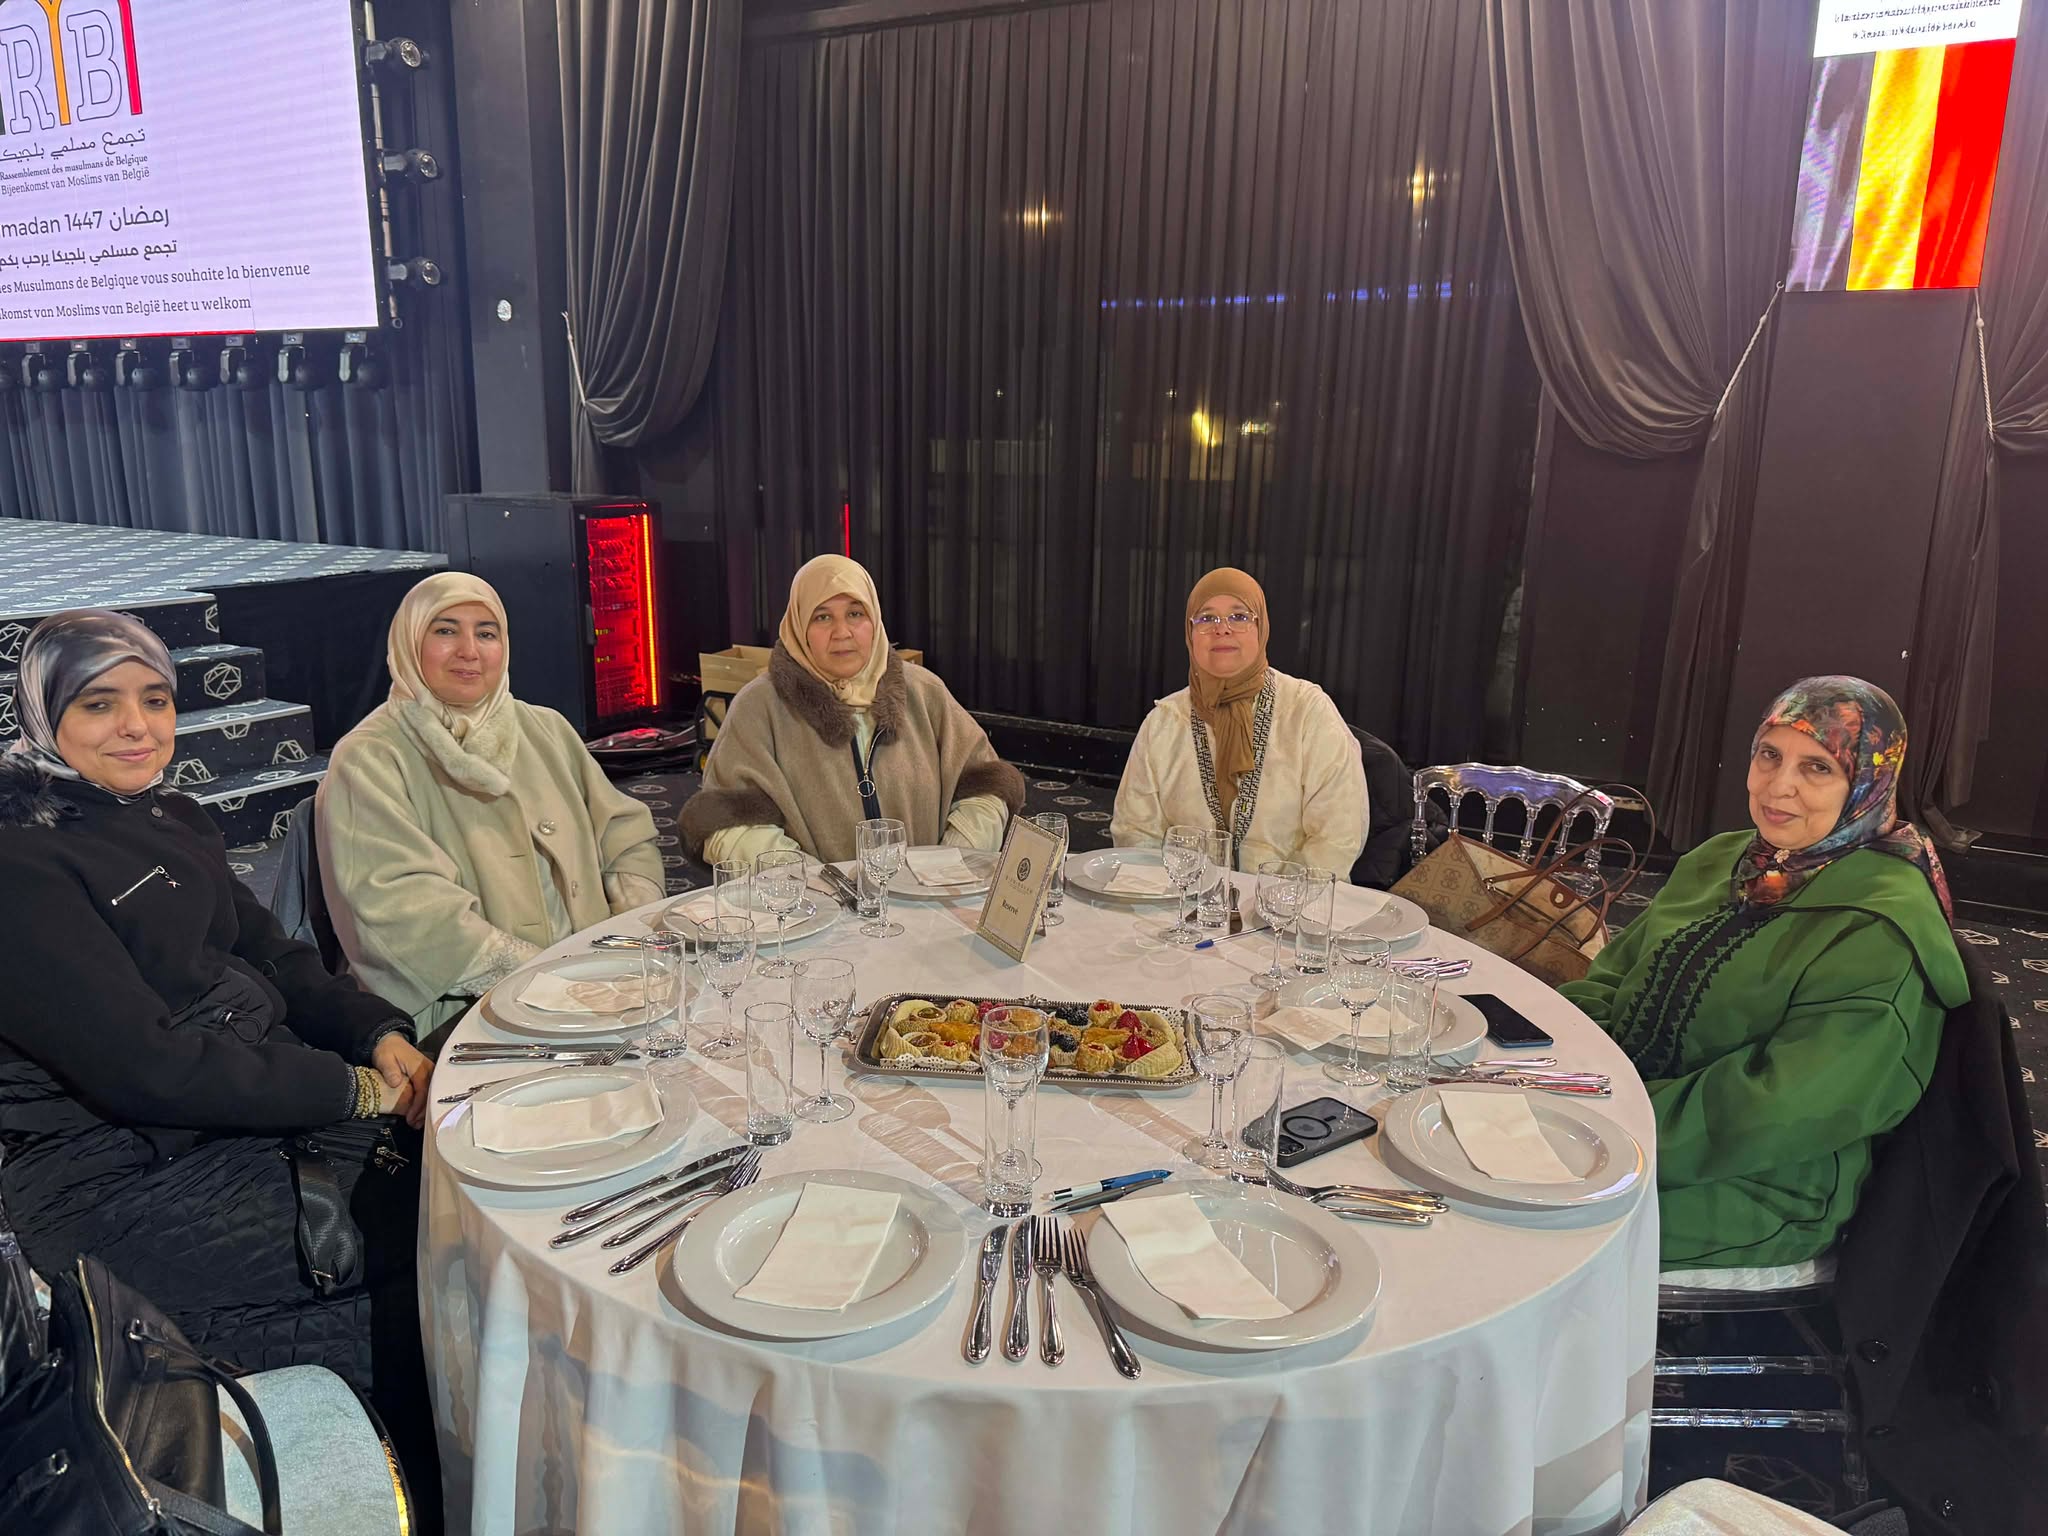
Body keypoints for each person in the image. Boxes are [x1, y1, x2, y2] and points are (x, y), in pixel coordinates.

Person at [0, 608, 438, 1496]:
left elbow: (271, 953)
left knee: (462, 1169)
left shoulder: (169, 812)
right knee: (434, 1245)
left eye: (155, 699)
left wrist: (376, 1033)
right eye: (98, 704)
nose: (137, 726)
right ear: (45, 715)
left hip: (229, 1110)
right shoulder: (20, 862)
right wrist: (350, 1091)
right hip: (115, 1176)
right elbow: (145, 1067)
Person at [1559, 676, 1964, 1269]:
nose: (1779, 786)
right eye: (1769, 755)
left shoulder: (1881, 926)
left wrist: (1606, 1131)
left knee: (1519, 1224)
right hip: (1610, 1119)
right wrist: (1558, 1074)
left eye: (1818, 767)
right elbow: (1611, 979)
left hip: (1763, 1184)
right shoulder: (1722, 858)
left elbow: (1782, 1107)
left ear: (1868, 783)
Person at [317, 573, 665, 1040]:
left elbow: (623, 833)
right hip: (463, 1013)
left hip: (598, 980)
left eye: (486, 633)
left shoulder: (546, 728)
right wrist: (546, 982)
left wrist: (627, 935)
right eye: (445, 631)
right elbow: (401, 911)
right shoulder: (370, 757)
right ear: (409, 643)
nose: (469, 651)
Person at [681, 554, 1025, 864]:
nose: (841, 632)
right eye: (822, 617)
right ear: (799, 626)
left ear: (874, 619)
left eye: (855, 614)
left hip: (924, 904)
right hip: (812, 909)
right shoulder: (758, 707)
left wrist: (949, 863)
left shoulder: (924, 692)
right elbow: (728, 827)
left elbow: (985, 791)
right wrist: (809, 885)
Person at [1111, 566, 1366, 875]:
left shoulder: (1307, 711)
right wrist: (1172, 893)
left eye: (1239, 616)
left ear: (1261, 627)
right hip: (1183, 897)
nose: (1222, 629)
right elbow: (1135, 832)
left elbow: (1338, 835)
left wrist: (1275, 897)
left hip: (1290, 899)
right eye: (1206, 618)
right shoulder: (1164, 722)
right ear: (1189, 634)